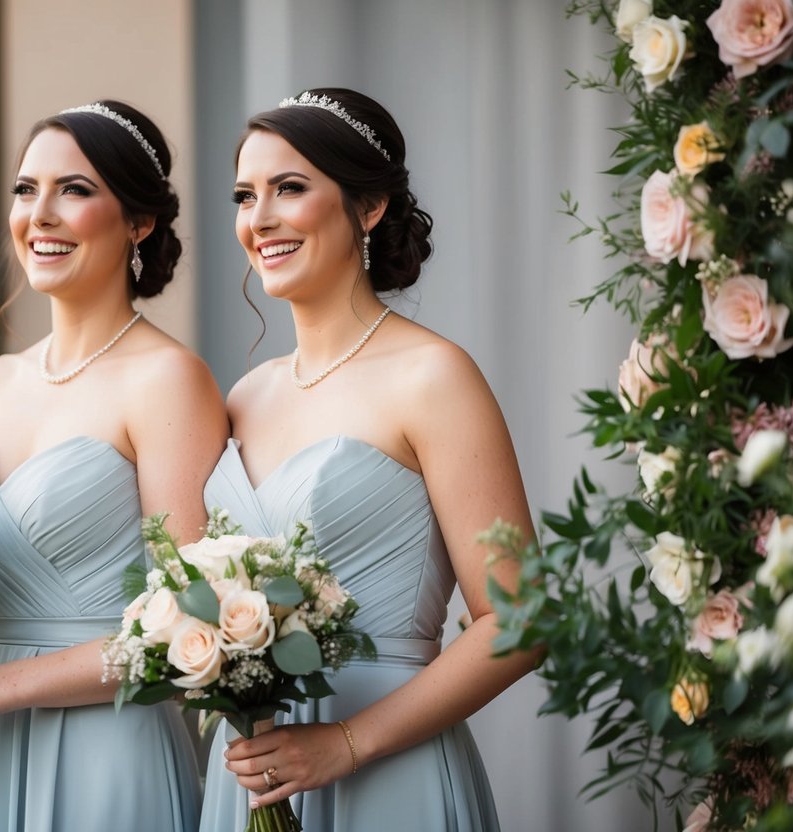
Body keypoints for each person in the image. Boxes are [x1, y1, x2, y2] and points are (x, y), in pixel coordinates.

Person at [0, 100, 227, 832]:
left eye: (76, 190)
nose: (41, 214)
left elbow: (188, 623)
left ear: (139, 222)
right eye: (26, 190)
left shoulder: (167, 381)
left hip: (105, 750)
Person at [198, 88, 538, 831]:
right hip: (255, 775)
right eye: (243, 195)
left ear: (370, 206)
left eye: (289, 188)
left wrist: (347, 744)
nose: (258, 220)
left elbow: (519, 621)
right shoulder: (244, 396)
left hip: (391, 770)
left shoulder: (433, 377)